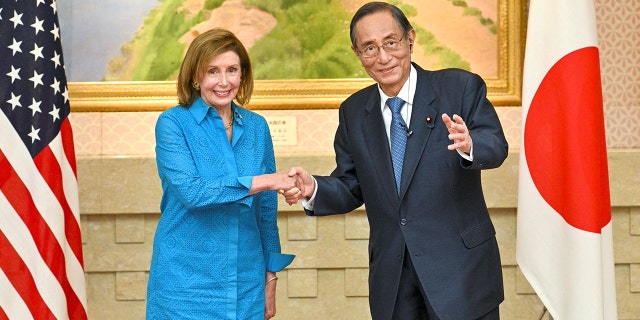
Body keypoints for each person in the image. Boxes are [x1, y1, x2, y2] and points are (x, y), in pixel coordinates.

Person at [284, 2, 508, 319]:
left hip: (461, 275)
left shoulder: (459, 87)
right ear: (357, 54)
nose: (384, 57)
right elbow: (350, 184)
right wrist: (313, 189)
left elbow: (496, 145)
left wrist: (470, 144)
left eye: (391, 43)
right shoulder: (354, 111)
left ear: (410, 38)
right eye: (370, 48)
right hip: (395, 283)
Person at [147, 28, 295, 319]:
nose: (224, 82)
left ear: (243, 74)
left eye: (232, 70)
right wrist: (267, 181)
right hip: (184, 284)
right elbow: (194, 193)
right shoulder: (173, 124)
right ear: (195, 76)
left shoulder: (257, 127)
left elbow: (266, 212)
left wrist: (271, 277)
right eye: (212, 71)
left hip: (246, 282)